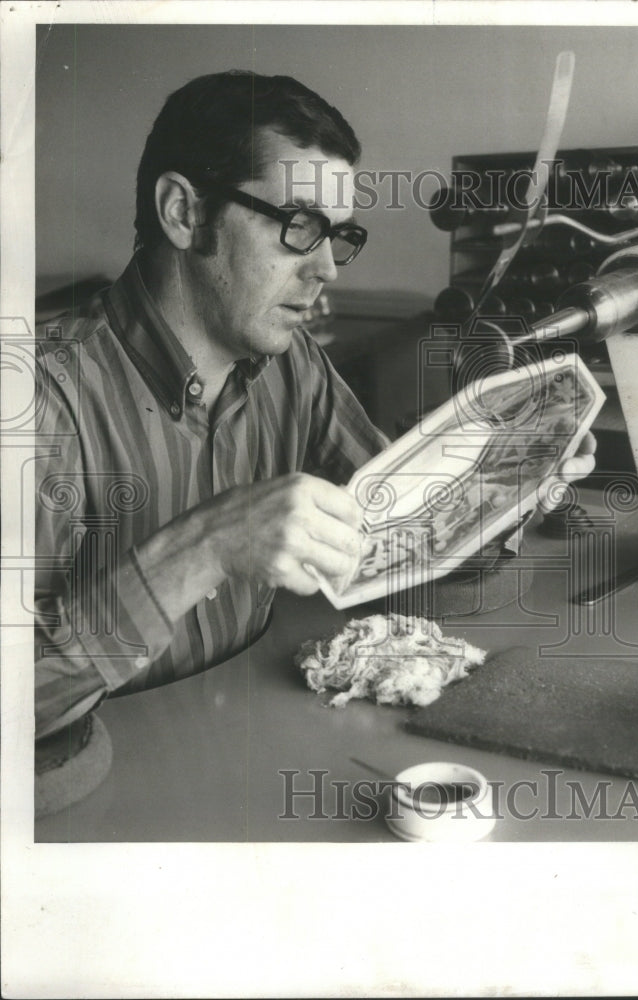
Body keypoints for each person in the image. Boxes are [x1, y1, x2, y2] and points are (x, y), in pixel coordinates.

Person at [34, 70, 595, 742]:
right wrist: (206, 546)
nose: (328, 268)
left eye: (338, 236)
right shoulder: (39, 398)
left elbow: (407, 548)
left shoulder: (291, 364)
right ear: (183, 211)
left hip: (243, 747)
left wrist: (507, 481)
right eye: (299, 226)